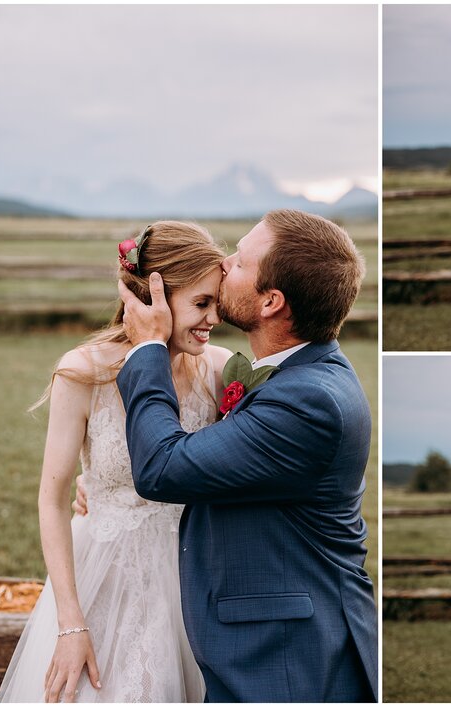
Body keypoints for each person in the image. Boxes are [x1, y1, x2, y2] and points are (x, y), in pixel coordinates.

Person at [114, 209, 378, 702]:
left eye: (240, 260)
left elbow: (162, 468)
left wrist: (149, 347)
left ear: (271, 301)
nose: (224, 261)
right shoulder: (299, 376)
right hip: (271, 646)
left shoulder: (309, 403)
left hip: (289, 662)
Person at [0, 222, 231, 702]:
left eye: (217, 304)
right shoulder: (85, 371)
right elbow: (51, 499)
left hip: (191, 585)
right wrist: (69, 624)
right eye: (202, 304)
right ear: (155, 297)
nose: (213, 319)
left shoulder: (219, 370)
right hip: (102, 576)